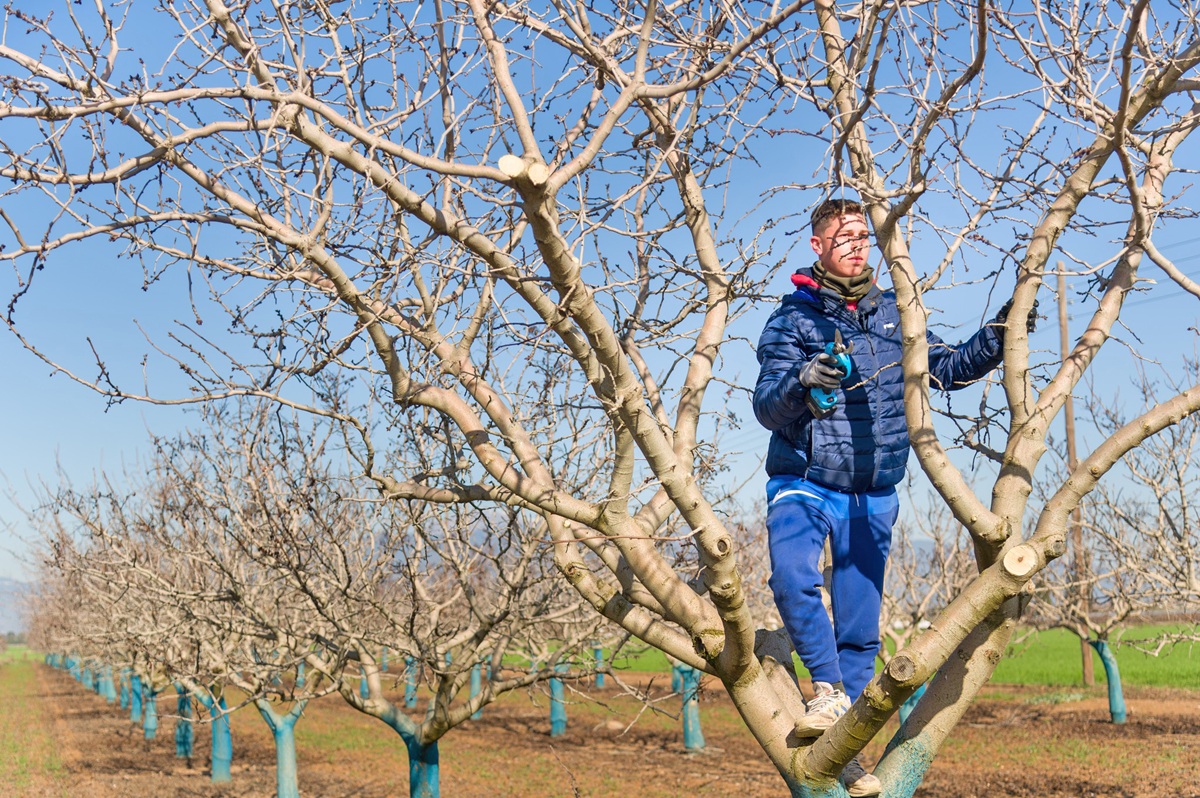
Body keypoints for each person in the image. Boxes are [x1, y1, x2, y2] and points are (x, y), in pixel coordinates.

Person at [753, 198, 1035, 796]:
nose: (857, 244)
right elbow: (765, 406)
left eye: (863, 236)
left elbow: (945, 367)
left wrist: (999, 333)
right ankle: (826, 691)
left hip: (874, 490)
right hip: (804, 479)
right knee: (790, 578)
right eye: (844, 236)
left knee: (861, 626)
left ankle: (844, 745)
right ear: (818, 246)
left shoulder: (894, 315)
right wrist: (803, 383)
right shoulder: (792, 320)